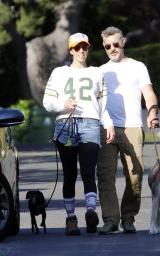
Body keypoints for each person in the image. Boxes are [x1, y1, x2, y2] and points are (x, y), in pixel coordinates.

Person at [43, 32, 114, 235]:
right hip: (66, 124)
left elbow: (103, 104)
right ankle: (70, 218)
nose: (82, 51)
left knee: (88, 171)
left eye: (85, 47)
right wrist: (62, 104)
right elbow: (47, 102)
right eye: (77, 48)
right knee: (69, 174)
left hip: (90, 124)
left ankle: (91, 212)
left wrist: (108, 123)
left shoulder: (97, 72)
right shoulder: (59, 72)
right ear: (71, 50)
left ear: (88, 49)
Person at [97, 26, 160, 234]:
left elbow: (149, 93)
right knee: (105, 175)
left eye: (116, 44)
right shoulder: (100, 71)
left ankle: (128, 217)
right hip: (107, 128)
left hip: (133, 126)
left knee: (136, 174)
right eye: (108, 46)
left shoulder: (138, 67)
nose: (112, 48)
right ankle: (111, 219)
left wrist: (152, 112)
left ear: (123, 42)